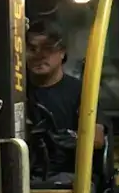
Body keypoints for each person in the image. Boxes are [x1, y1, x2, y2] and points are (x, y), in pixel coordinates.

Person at [26, 19, 105, 174]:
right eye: (32, 49)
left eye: (47, 49)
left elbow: (98, 138)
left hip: (68, 175)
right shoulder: (16, 92)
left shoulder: (80, 91)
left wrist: (73, 138)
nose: (39, 56)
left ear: (62, 52)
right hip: (25, 174)